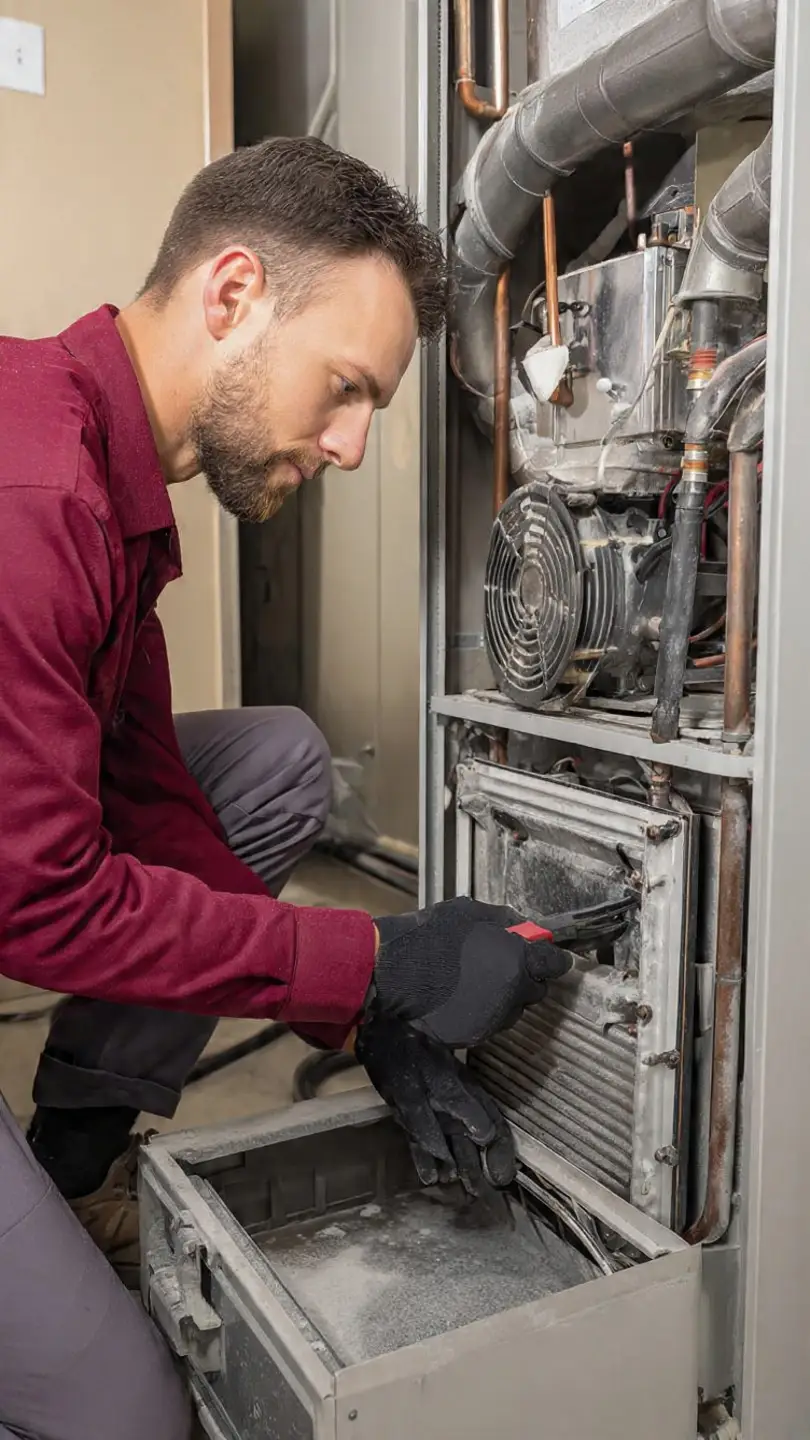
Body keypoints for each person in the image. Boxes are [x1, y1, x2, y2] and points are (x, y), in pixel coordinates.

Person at [0, 136, 571, 1440]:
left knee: (268, 760)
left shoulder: (106, 483)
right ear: (234, 293)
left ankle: (75, 1160)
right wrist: (372, 966)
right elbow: (39, 902)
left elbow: (145, 801)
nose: (355, 445)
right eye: (345, 388)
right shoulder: (34, 495)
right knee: (119, 1411)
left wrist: (362, 1009)